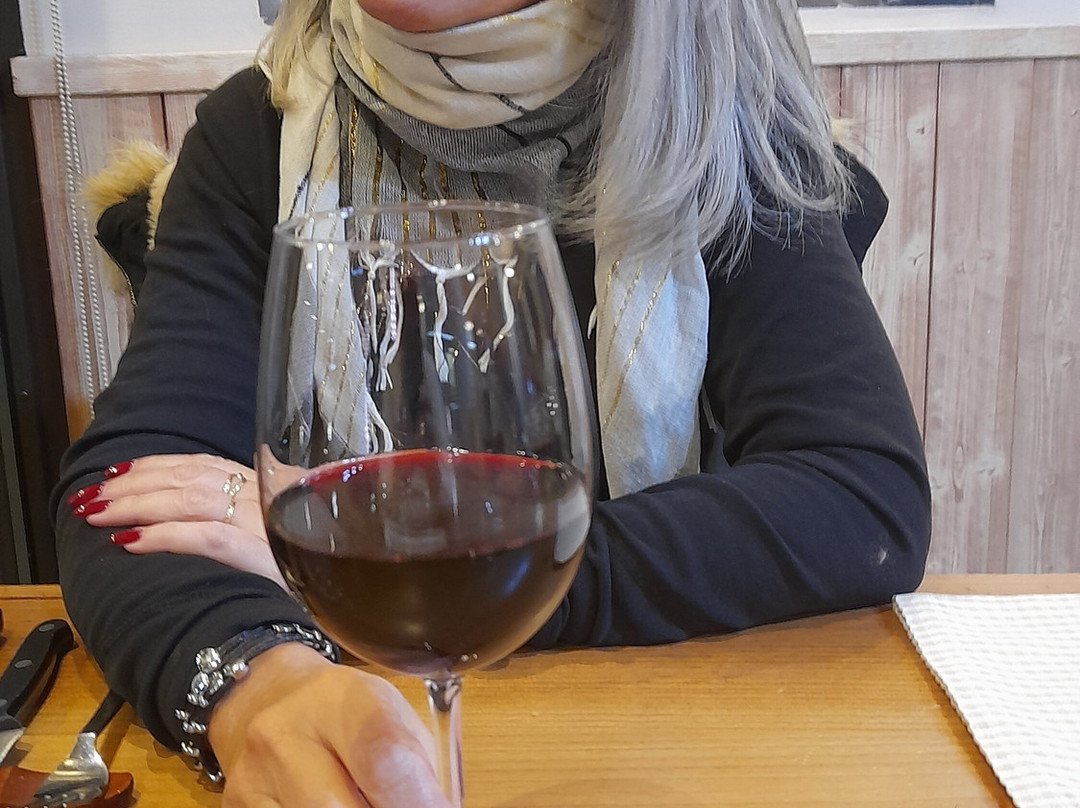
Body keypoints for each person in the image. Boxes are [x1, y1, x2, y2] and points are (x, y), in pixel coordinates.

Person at [54, 0, 931, 805]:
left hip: (670, 754)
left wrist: (425, 566)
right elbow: (132, 488)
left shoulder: (717, 119)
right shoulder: (260, 128)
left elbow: (858, 498)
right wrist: (262, 687)